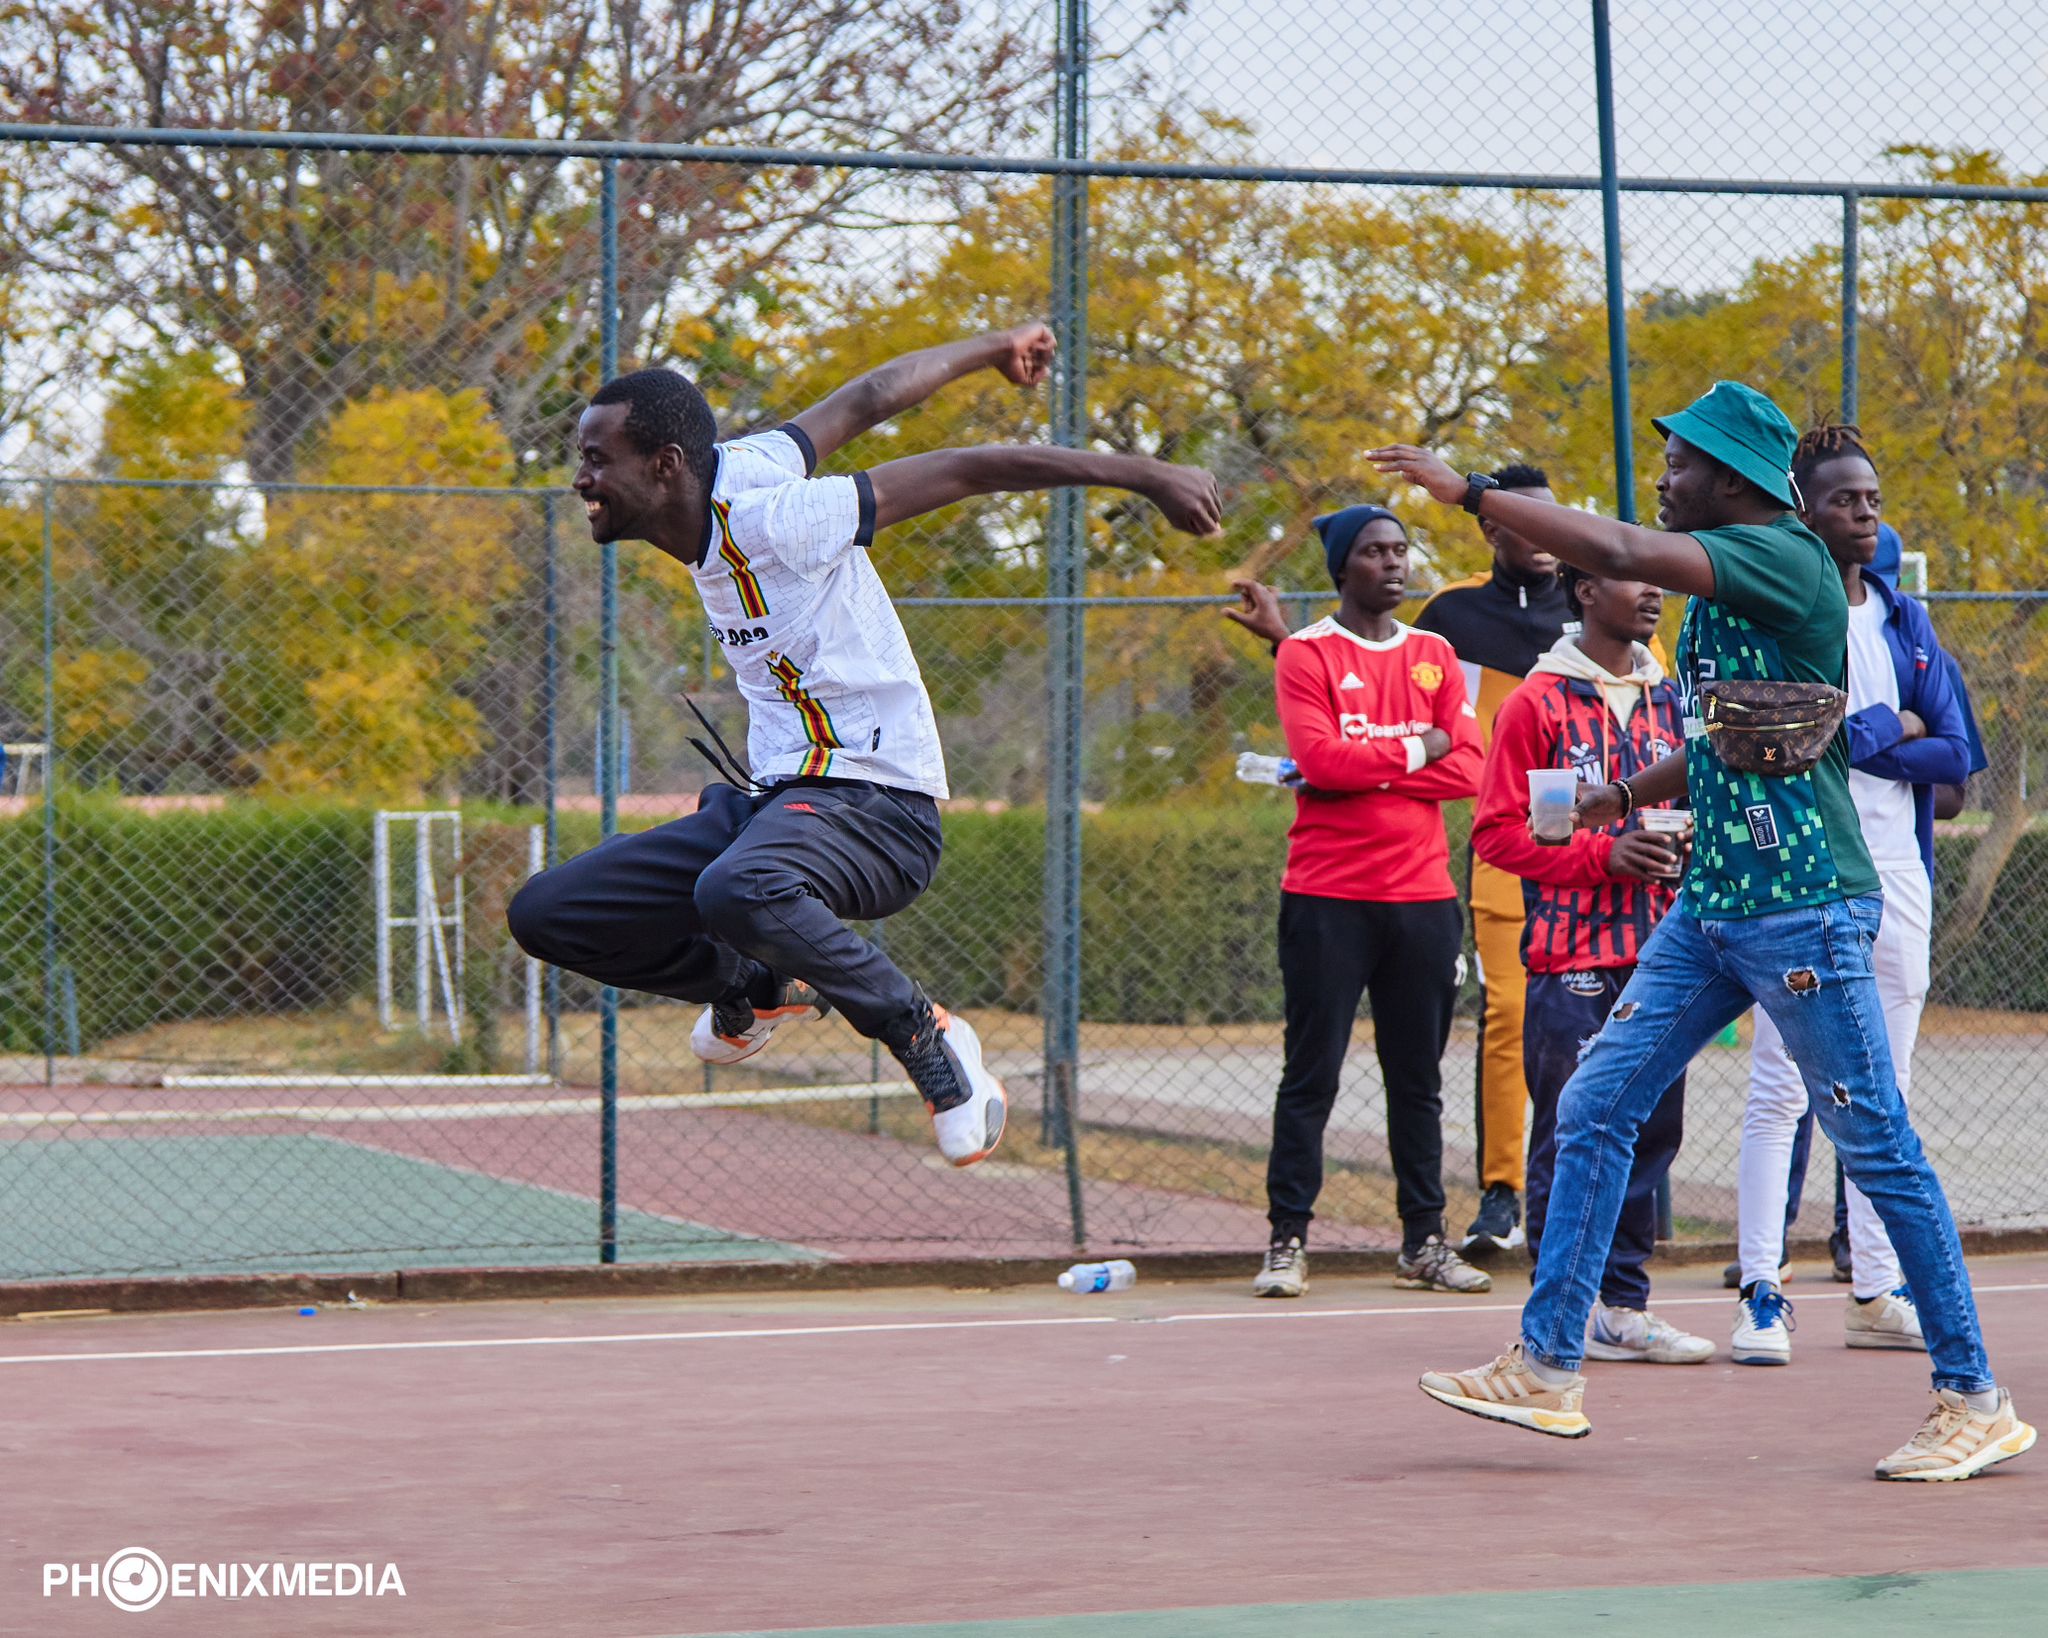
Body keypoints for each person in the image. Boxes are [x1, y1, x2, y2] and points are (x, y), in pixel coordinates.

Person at [1375, 380, 2033, 1481]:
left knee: (1871, 1140)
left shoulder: (1778, 557)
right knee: (1590, 1104)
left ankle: (1972, 1394)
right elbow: (1730, 732)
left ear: (1728, 476)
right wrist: (1617, 799)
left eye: (1678, 462)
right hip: (1713, 907)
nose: (1664, 480)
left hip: (1803, 904)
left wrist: (1476, 495)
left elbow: (1622, 538)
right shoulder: (1719, 599)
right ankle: (1545, 1365)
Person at [507, 324, 1222, 1169]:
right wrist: (991, 347)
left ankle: (923, 1032)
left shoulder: (781, 517)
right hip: (782, 801)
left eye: (598, 460)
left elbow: (967, 468)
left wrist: (1148, 475)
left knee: (739, 885)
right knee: (548, 913)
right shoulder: (742, 465)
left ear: (664, 465)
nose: (581, 480)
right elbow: (868, 398)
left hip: (880, 809)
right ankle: (753, 985)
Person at [1730, 426, 1972, 1366]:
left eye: (1871, 499)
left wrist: (1874, 731)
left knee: (1886, 1093)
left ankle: (1876, 1289)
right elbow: (1786, 743)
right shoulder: (1784, 616)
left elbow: (1954, 760)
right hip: (1805, 875)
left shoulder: (1907, 622)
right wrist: (1887, 727)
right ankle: (1761, 1291)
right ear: (1803, 511)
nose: (1864, 515)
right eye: (1844, 501)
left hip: (1898, 874)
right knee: (1780, 1089)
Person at [1470, 564, 1714, 1364]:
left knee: (1651, 1128)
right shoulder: (1535, 703)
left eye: (1657, 583)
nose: (1652, 594)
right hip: (1571, 954)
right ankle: (1557, 1312)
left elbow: (1700, 803)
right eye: (1629, 580)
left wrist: (1683, 847)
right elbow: (1500, 834)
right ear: (1582, 593)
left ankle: (1624, 1307)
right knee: (1570, 1131)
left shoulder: (1673, 698)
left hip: (1662, 956)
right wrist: (1603, 855)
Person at [1252, 505, 1490, 1299]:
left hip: (1422, 897)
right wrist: (1421, 744)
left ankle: (1424, 1240)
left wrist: (1367, 764)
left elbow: (1471, 772)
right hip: (1326, 894)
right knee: (1310, 1072)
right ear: (1342, 567)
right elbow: (1319, 759)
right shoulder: (1307, 653)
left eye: (1400, 549)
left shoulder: (1436, 653)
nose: (1393, 563)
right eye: (1374, 551)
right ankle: (1287, 1240)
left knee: (1416, 1077)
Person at [1414, 465, 1576, 1258]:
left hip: (1599, 845)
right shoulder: (1450, 615)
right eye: (1526, 522)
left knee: (1600, 1024)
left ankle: (1576, 1188)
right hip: (1508, 847)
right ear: (1491, 527)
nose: (1545, 538)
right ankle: (1503, 1191)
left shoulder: (1600, 601)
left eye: (1555, 521)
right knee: (1512, 1017)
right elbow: (1404, 706)